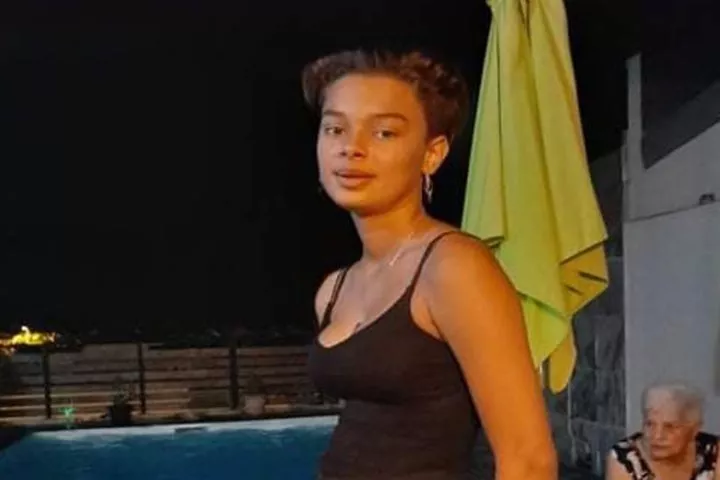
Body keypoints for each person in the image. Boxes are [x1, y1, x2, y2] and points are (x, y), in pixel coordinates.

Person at [303, 49, 557, 480]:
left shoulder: (454, 268)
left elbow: (528, 458)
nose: (351, 148)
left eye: (384, 132)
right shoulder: (335, 288)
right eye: (335, 129)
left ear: (432, 154)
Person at [606, 383, 719, 480]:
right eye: (650, 424)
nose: (657, 436)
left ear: (694, 430)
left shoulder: (714, 451)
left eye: (670, 427)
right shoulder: (625, 459)